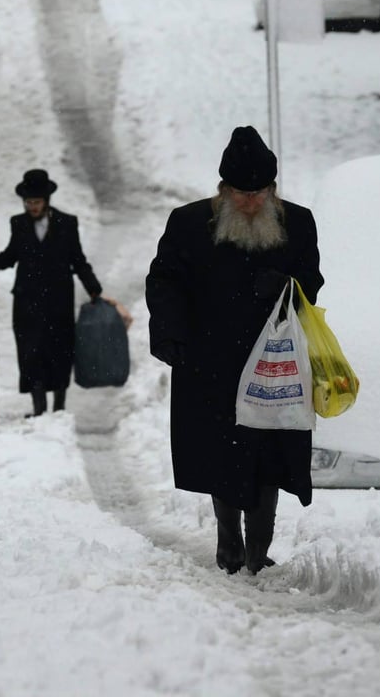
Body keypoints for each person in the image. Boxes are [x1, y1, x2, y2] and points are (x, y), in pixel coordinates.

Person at [145, 126, 324, 576]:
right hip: (210, 361)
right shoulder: (189, 223)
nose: (250, 203)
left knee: (269, 457)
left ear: (273, 189)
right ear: (222, 190)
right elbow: (164, 279)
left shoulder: (297, 223)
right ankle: (229, 542)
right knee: (221, 454)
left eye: (259, 193)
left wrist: (287, 284)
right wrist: (169, 332)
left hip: (274, 363)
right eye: (241, 193)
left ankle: (258, 549)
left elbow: (312, 281)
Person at [0, 169, 128, 417]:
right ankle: (39, 408)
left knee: (59, 351)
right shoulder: (19, 224)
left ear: (46, 200)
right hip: (27, 301)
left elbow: (78, 260)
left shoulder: (67, 224)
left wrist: (94, 289)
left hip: (58, 301)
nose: (31, 207)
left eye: (36, 202)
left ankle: (59, 407)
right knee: (31, 352)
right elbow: (10, 256)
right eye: (28, 202)